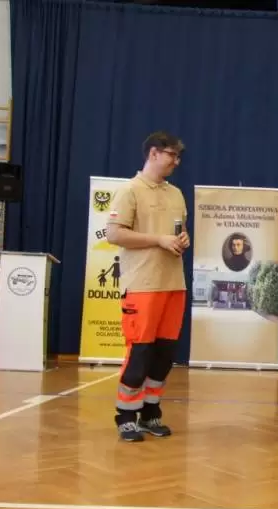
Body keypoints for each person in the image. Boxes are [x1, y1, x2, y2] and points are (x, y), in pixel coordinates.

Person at [106, 131, 190, 442]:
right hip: (142, 285)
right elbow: (114, 234)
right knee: (140, 352)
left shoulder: (176, 194)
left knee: (164, 354)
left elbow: (179, 233)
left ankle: (150, 412)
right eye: (171, 155)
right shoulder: (129, 190)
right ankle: (126, 415)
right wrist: (158, 240)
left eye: (178, 156)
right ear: (153, 153)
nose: (176, 161)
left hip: (174, 284)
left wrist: (183, 239)